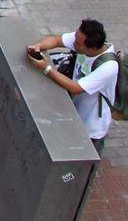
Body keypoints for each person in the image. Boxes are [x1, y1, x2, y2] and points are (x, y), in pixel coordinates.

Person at [25, 20, 119, 153]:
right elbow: (57, 40)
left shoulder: (108, 67)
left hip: (90, 125)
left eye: (78, 44)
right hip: (75, 110)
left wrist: (47, 68)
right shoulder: (81, 40)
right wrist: (38, 47)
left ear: (92, 48)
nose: (74, 44)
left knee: (81, 161)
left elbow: (75, 88)